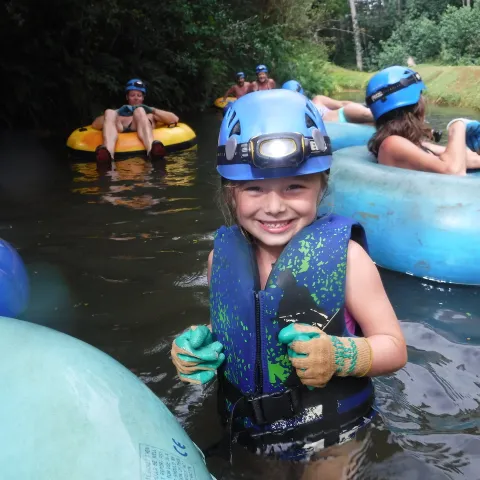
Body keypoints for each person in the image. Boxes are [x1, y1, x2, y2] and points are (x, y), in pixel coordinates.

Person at [171, 90, 407, 477]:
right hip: (249, 428)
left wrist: (339, 356)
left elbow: (394, 348)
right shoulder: (220, 259)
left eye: (294, 187)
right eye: (254, 189)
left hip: (335, 432)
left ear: (321, 185)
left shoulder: (349, 260)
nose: (275, 206)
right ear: (231, 193)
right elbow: (237, 327)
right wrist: (200, 346)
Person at [366, 66, 480, 175]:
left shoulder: (418, 145)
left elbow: (469, 159)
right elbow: (454, 171)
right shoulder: (391, 144)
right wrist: (458, 127)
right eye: (420, 95)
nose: (423, 101)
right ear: (412, 106)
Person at [92, 78, 179, 163]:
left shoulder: (150, 114)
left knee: (140, 111)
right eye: (132, 95)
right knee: (109, 112)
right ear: (127, 97)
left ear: (143, 98)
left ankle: (151, 151)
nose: (136, 98)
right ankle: (108, 155)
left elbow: (174, 119)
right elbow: (95, 125)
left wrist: (151, 109)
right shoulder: (119, 115)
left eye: (139, 95)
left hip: (141, 122)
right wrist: (116, 111)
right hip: (120, 127)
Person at [282, 80, 373, 124]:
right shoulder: (290, 117)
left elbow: (342, 104)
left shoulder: (318, 100)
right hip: (338, 122)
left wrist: (363, 106)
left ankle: (381, 113)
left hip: (344, 115)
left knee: (349, 110)